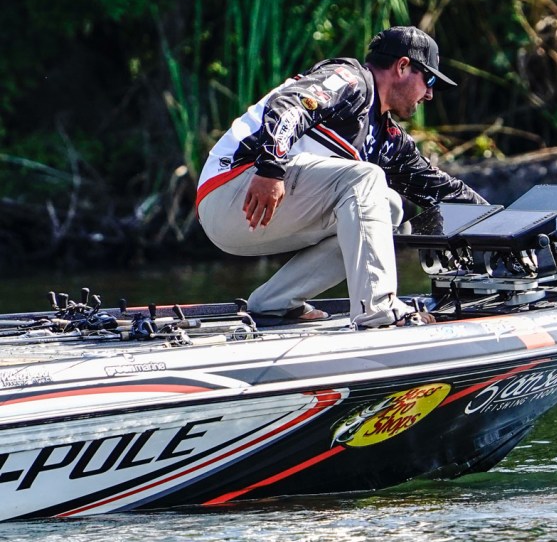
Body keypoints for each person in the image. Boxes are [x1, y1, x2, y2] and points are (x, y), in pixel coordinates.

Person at [196, 26, 485, 327]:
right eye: (430, 80)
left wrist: (504, 225)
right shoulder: (349, 79)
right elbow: (288, 105)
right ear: (402, 66)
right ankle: (378, 309)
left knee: (388, 206)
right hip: (231, 188)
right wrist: (270, 168)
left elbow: (443, 190)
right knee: (366, 178)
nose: (430, 93)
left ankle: (275, 302)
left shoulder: (385, 138)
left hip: (248, 220)